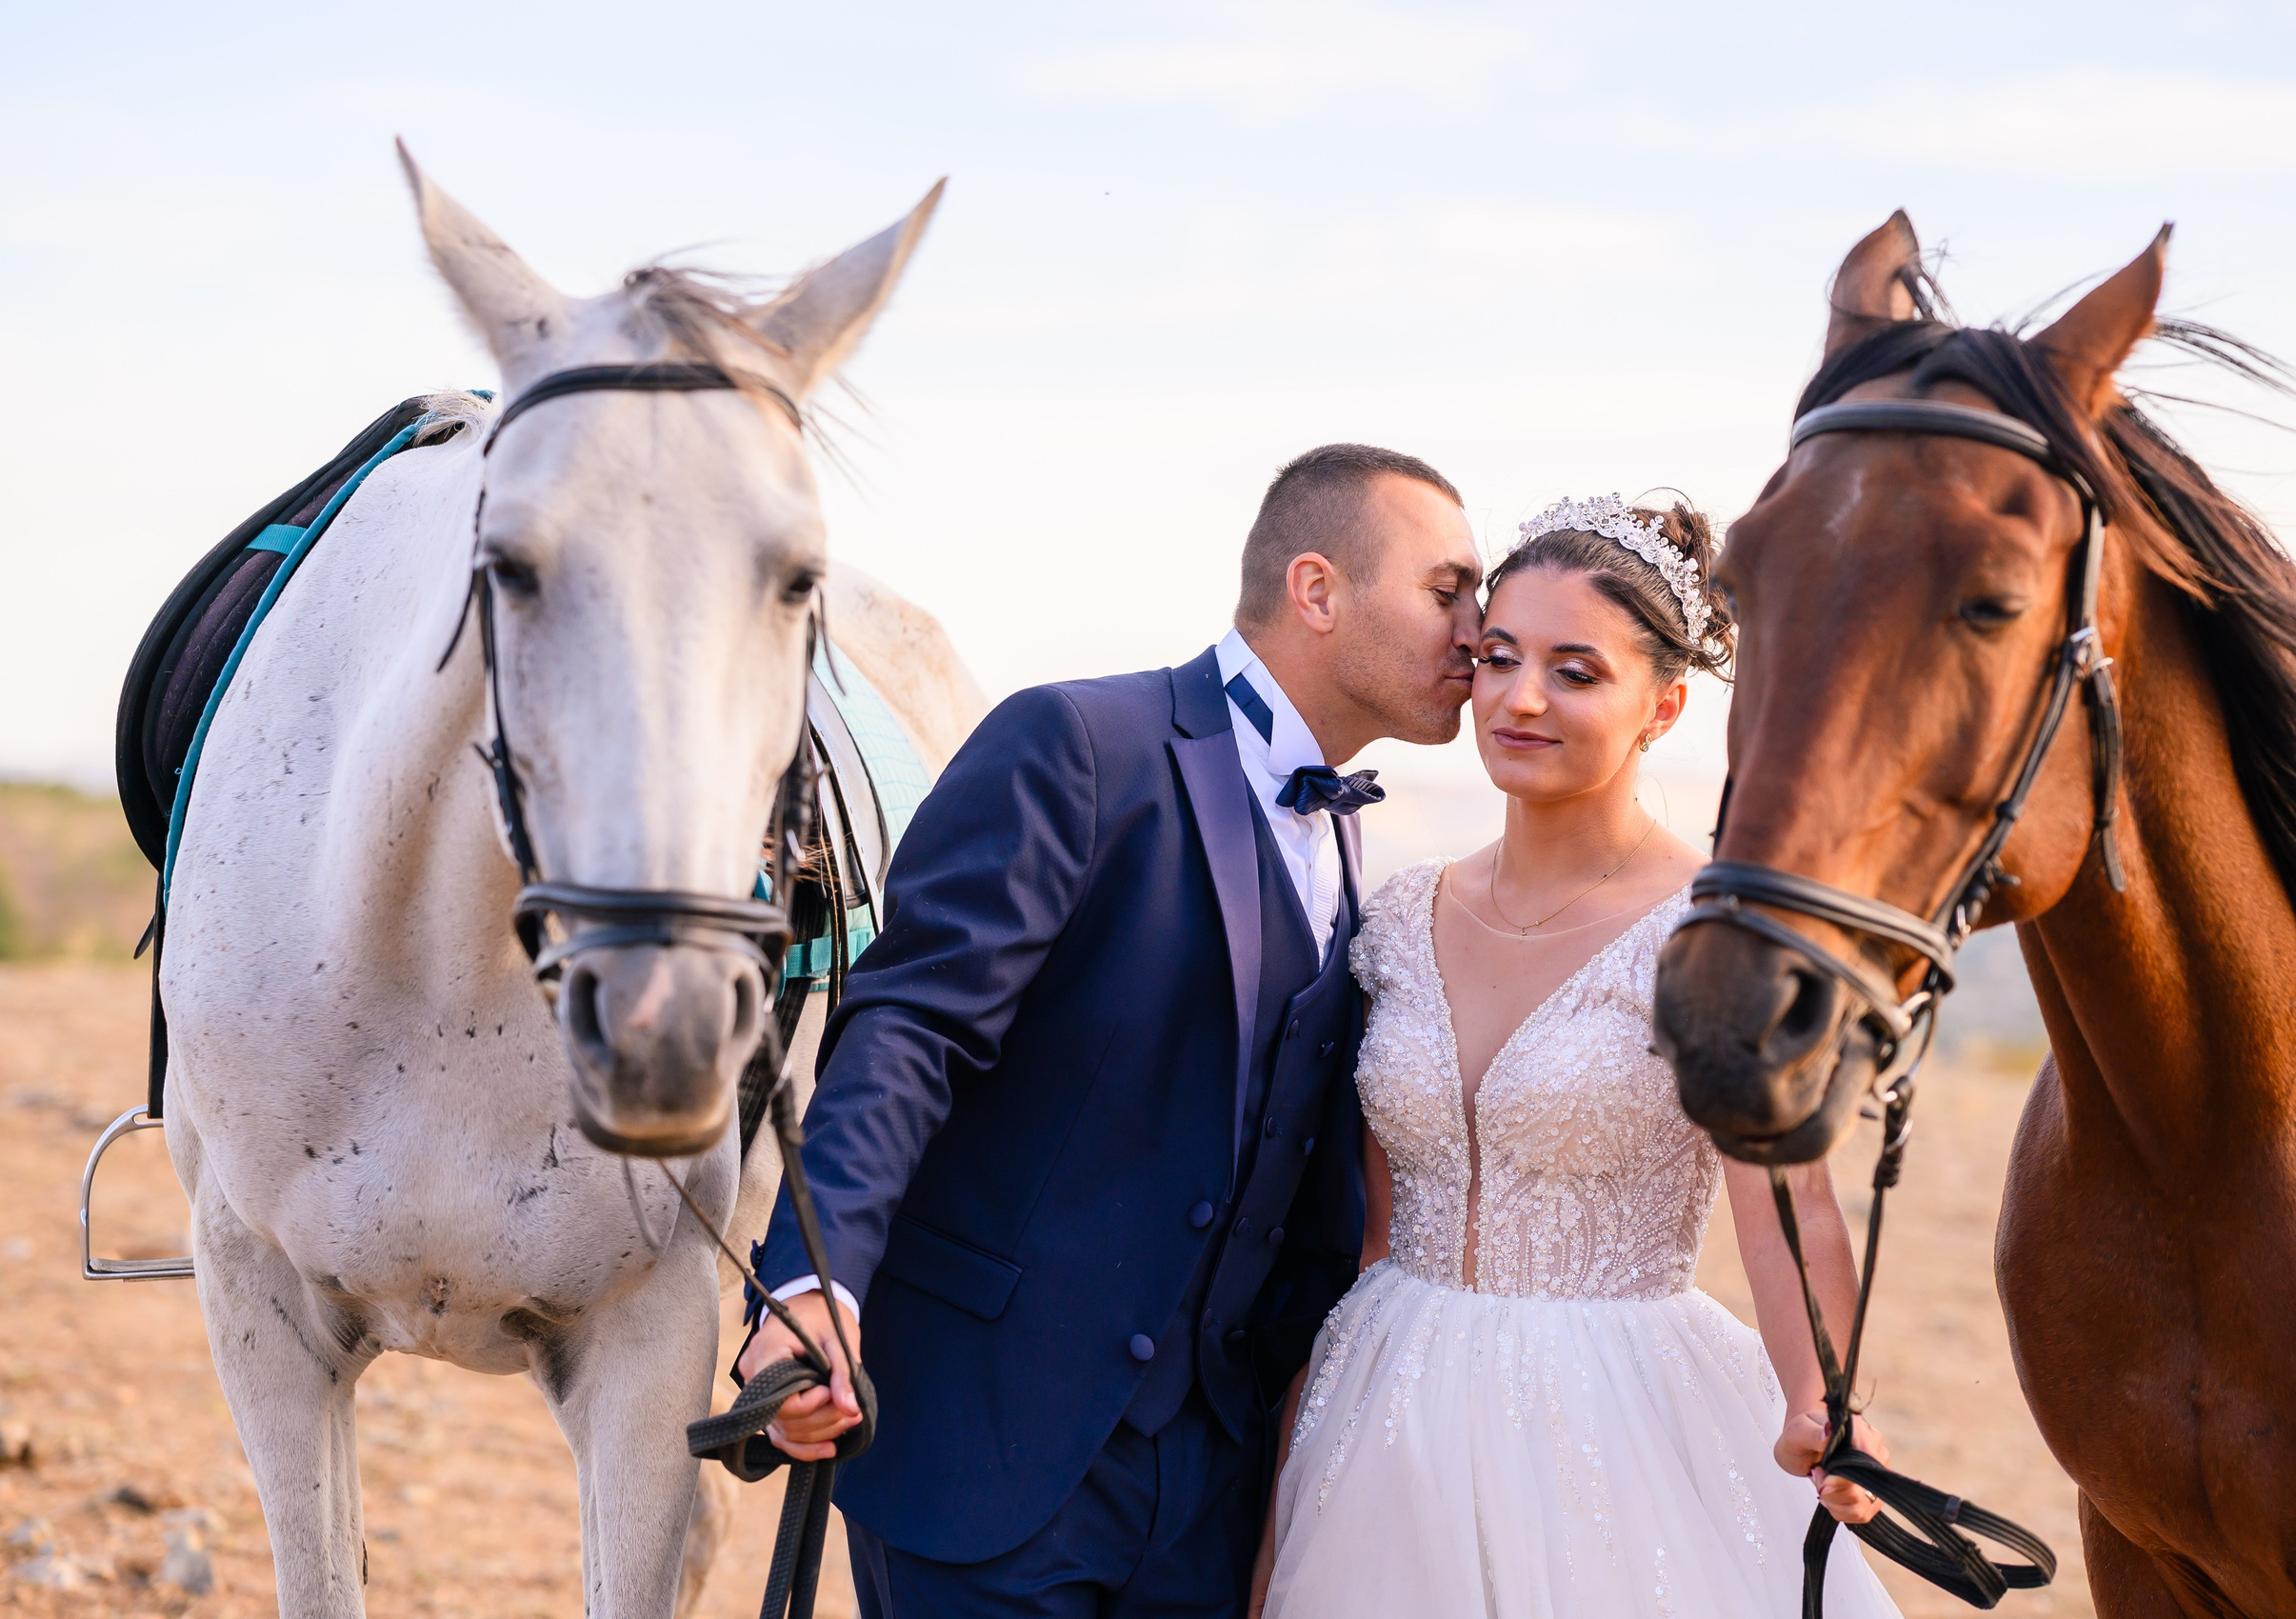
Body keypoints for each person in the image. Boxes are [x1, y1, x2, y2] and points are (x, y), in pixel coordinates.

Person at [738, 444, 1485, 1616]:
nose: (1478, 629)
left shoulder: (1351, 845)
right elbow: (910, 1028)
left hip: (1205, 1491)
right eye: (1450, 587)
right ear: (1318, 589)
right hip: (985, 1447)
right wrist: (807, 1283)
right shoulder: (1078, 744)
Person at [1252, 495, 1903, 1617]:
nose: (1521, 697)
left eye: (1576, 670)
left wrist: (1821, 1399)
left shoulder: (1713, 933)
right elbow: (1365, 1221)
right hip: (1378, 1405)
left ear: (1664, 705)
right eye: (1498, 656)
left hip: (1614, 1418)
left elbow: (1784, 1201)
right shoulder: (1399, 918)